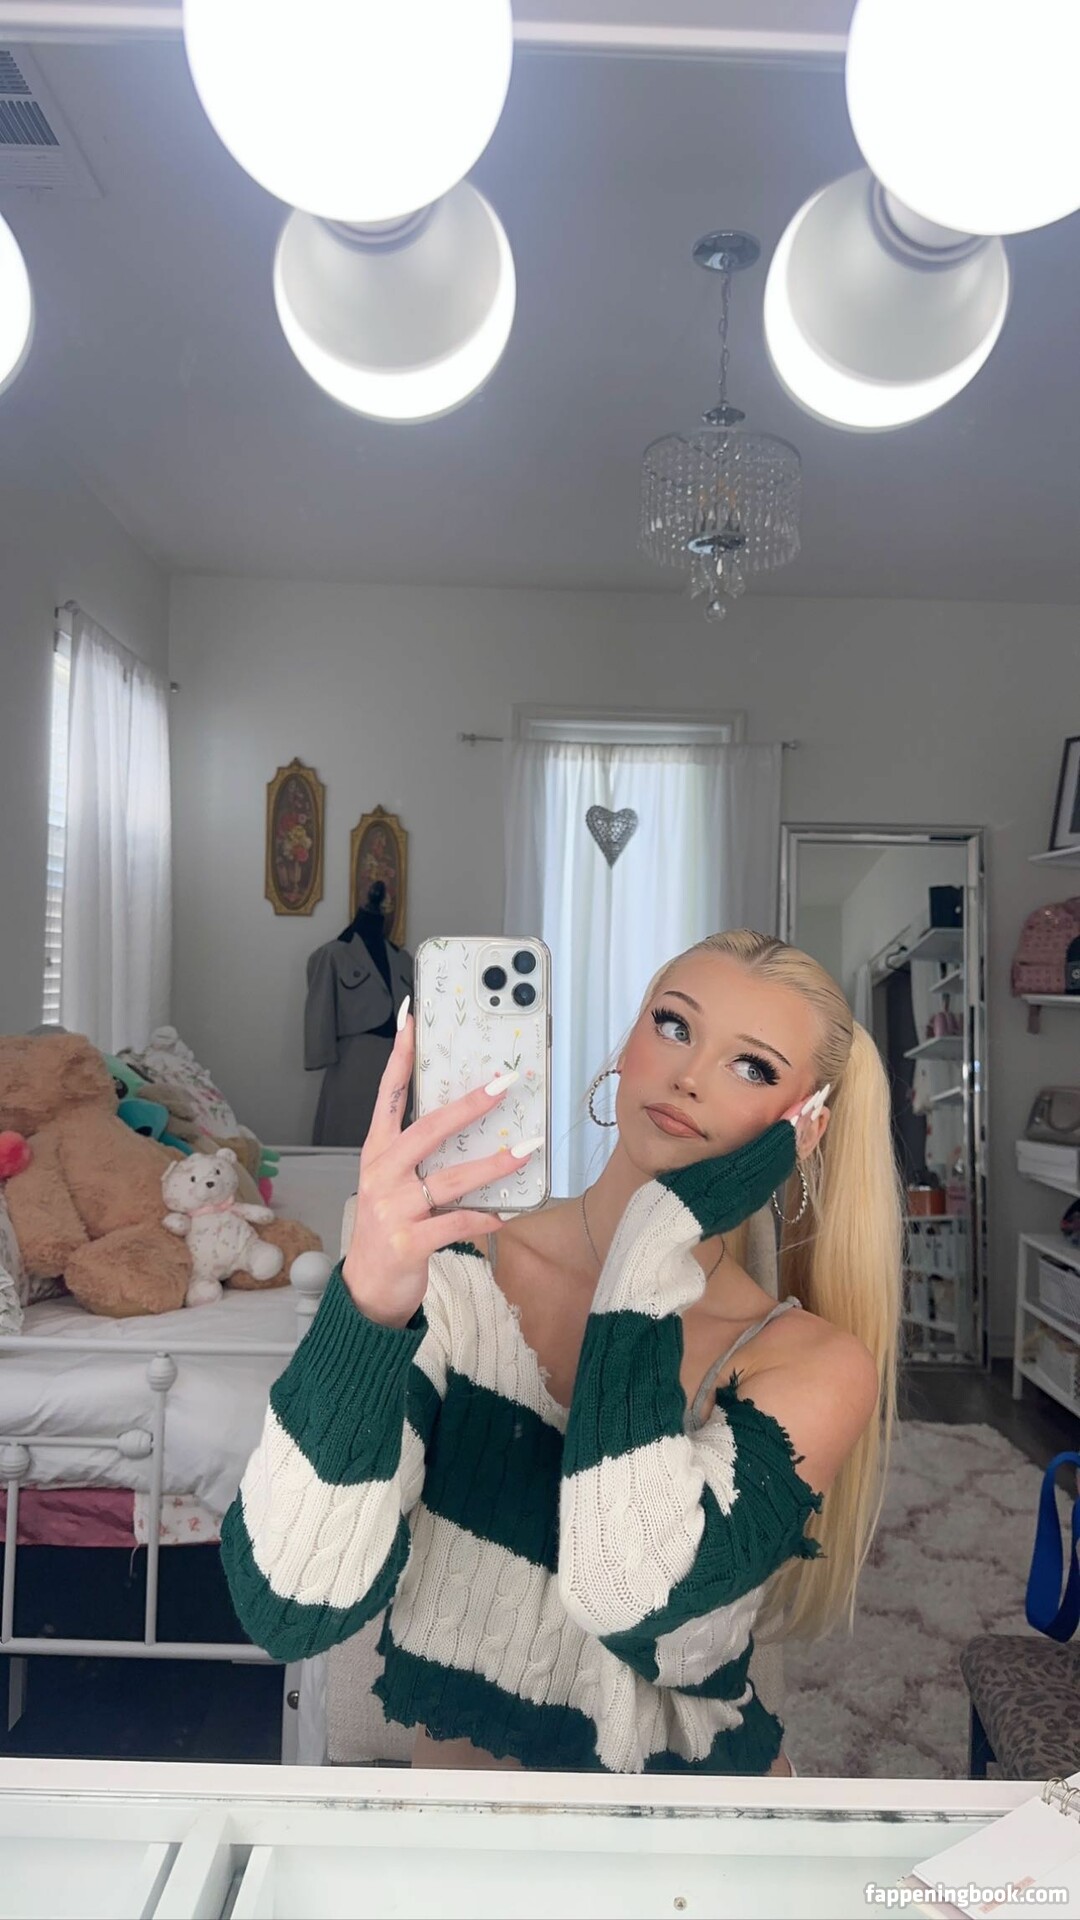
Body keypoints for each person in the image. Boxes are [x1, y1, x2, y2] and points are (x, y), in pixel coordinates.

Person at [222, 930, 902, 1776]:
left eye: (752, 1067)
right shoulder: (457, 1275)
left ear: (804, 1129)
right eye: (674, 1025)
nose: (689, 1075)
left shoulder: (811, 1363)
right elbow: (290, 1609)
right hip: (464, 1833)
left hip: (697, 1831)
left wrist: (650, 1247)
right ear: (626, 1046)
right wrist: (366, 1305)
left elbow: (626, 1595)